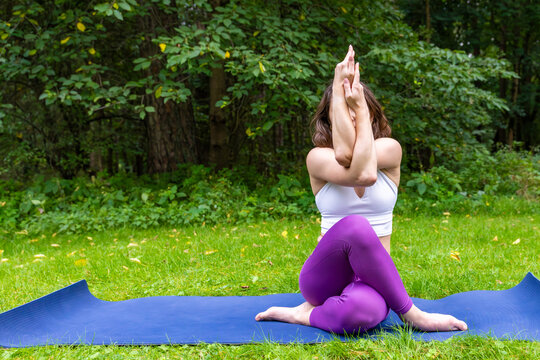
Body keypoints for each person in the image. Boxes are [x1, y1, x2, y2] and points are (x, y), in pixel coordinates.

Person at [255, 45, 468, 334]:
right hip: (324, 277)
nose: (352, 117)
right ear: (330, 117)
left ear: (370, 113)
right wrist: (338, 88)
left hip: (372, 281)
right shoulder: (318, 157)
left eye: (357, 110)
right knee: (355, 226)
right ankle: (414, 315)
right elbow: (357, 168)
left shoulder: (390, 150)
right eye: (343, 111)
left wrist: (358, 108)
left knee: (358, 315)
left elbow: (364, 168)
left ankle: (304, 315)